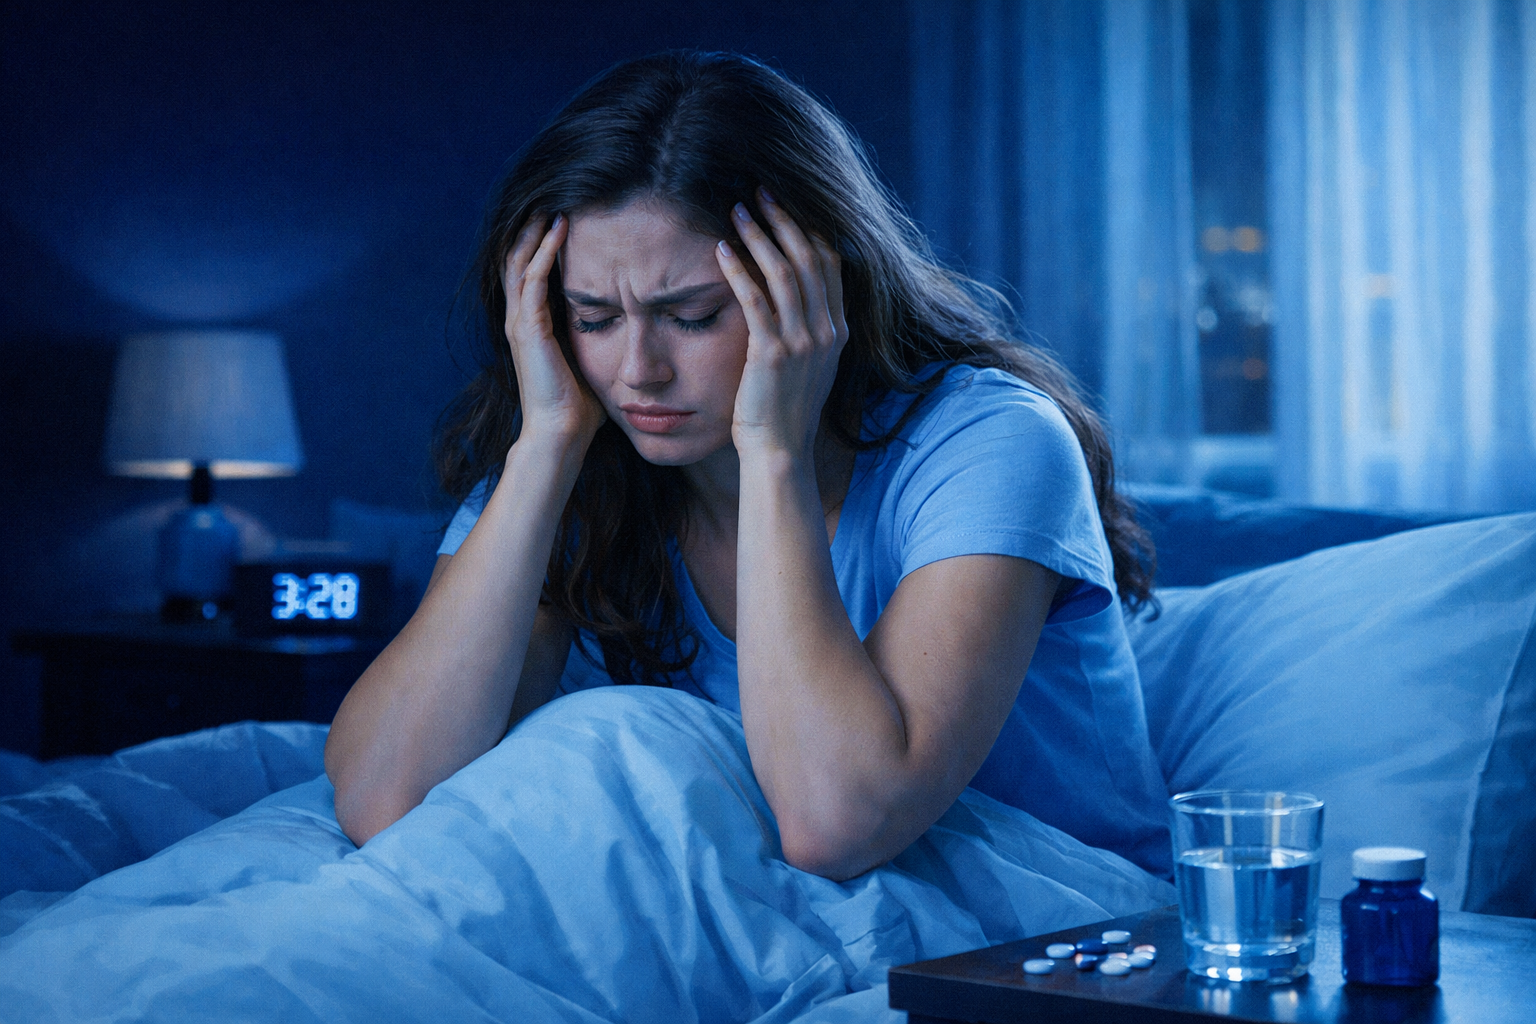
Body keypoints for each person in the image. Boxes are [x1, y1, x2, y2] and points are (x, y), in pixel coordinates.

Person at [324, 50, 1172, 881]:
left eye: (692, 317)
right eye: (592, 319)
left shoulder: (994, 442)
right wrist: (545, 443)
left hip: (1054, 918)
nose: (637, 371)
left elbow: (834, 824)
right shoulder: (578, 459)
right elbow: (384, 799)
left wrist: (774, 450)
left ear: (818, 293)